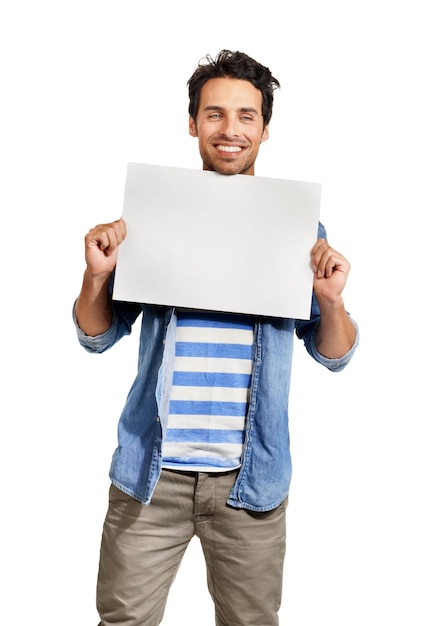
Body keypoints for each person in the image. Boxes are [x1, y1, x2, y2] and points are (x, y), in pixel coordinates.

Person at [73, 50, 359, 626]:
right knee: (122, 621)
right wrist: (97, 276)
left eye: (246, 116)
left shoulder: (298, 228)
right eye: (215, 114)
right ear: (192, 122)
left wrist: (331, 302)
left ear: (265, 128)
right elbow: (96, 336)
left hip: (250, 480)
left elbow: (336, 354)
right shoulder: (151, 216)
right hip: (149, 474)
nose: (230, 130)